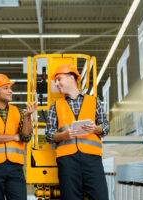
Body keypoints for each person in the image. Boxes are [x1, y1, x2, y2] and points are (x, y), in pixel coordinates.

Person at [45, 64, 109, 200]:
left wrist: (96, 128)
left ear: (71, 77)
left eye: (59, 79)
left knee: (100, 196)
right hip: (67, 161)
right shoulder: (55, 106)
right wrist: (64, 135)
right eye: (55, 81)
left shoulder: (93, 101)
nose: (56, 83)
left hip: (92, 159)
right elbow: (49, 135)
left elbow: (105, 127)